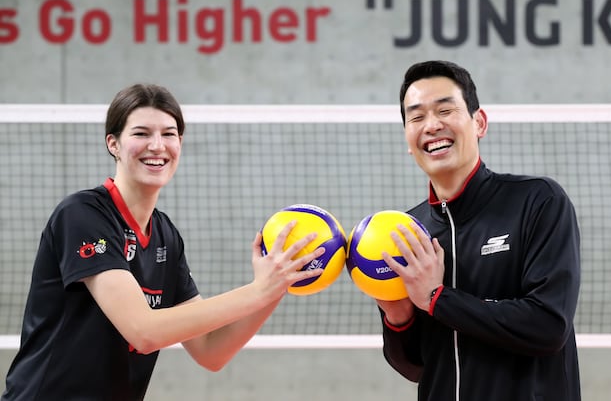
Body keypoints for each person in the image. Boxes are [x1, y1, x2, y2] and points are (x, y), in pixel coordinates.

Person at [1, 84, 325, 400]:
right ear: (113, 144)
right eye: (141, 133)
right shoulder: (82, 215)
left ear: (180, 143)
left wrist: (277, 284)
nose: (157, 146)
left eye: (169, 134)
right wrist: (257, 291)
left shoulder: (165, 237)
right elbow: (144, 332)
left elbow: (211, 351)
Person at [376, 60, 581, 401]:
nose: (432, 125)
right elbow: (416, 367)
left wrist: (437, 299)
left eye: (445, 110)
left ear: (479, 122)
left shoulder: (538, 201)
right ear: (408, 140)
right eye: (417, 117)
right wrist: (398, 319)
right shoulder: (408, 232)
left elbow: (548, 325)